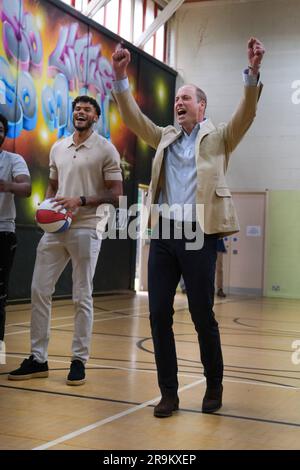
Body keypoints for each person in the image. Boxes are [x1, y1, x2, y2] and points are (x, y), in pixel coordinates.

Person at [111, 38, 265, 416]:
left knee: (201, 314)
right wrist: (120, 78)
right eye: (176, 100)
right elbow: (134, 120)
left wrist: (253, 73)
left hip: (199, 235)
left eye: (185, 99)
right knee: (158, 313)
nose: (178, 103)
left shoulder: (220, 138)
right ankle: (169, 393)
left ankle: (214, 385)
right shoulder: (164, 136)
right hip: (163, 235)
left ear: (202, 106)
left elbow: (246, 114)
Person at [8, 96, 123, 385]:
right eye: (77, 109)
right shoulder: (58, 147)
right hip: (56, 228)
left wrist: (81, 200)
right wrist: (48, 205)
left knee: (81, 294)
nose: (80, 112)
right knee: (39, 289)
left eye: (86, 109)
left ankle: (78, 360)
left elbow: (116, 193)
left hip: (87, 226)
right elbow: (53, 184)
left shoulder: (106, 149)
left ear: (96, 117)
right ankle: (38, 358)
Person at [0, 114, 31, 346]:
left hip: (3, 232)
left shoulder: (13, 160)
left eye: (0, 129)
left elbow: (26, 188)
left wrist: (7, 185)